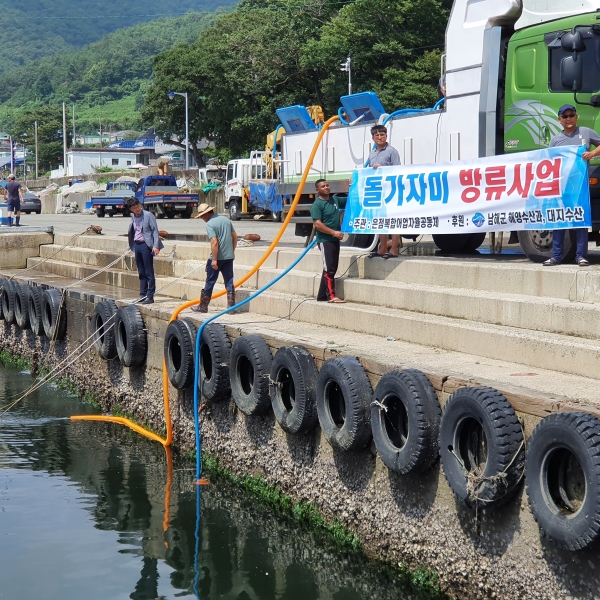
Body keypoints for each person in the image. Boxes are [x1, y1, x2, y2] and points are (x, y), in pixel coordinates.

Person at [544, 104, 600, 267]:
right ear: (559, 120)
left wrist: (591, 154)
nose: (568, 119)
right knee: (559, 220)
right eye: (565, 116)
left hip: (580, 187)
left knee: (580, 222)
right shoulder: (555, 140)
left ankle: (581, 256)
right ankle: (556, 256)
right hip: (561, 188)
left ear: (576, 117)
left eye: (571, 115)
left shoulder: (586, 132)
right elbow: (548, 162)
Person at [192, 203, 238, 313]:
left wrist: (214, 259)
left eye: (202, 216)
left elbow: (214, 242)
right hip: (229, 257)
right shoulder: (226, 220)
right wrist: (231, 251)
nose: (202, 219)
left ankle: (203, 306)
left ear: (207, 214)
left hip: (217, 258)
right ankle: (231, 307)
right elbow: (235, 237)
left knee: (210, 281)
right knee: (229, 281)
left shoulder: (210, 224)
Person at [367, 125, 402, 259]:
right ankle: (382, 248)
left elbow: (398, 170)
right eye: (377, 135)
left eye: (382, 135)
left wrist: (384, 168)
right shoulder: (372, 154)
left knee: (393, 221)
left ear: (386, 136)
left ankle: (393, 249)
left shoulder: (392, 151)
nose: (380, 137)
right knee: (380, 221)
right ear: (373, 138)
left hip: (391, 191)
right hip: (377, 192)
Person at [310, 179, 346, 303]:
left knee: (332, 267)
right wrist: (333, 232)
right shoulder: (317, 205)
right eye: (323, 186)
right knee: (329, 268)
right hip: (325, 240)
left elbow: (350, 200)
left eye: (327, 185)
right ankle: (331, 296)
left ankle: (322, 296)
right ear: (317, 190)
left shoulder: (334, 200)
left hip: (335, 239)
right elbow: (318, 224)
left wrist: (353, 185)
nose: (326, 187)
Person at [126, 198, 163, 304]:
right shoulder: (133, 217)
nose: (137, 209)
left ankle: (150, 296)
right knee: (141, 272)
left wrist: (155, 246)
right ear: (131, 210)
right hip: (137, 245)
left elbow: (155, 231)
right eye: (134, 208)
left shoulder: (148, 215)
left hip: (146, 246)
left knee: (148, 271)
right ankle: (142, 294)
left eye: (138, 206)